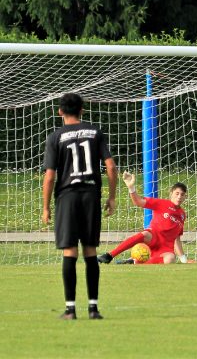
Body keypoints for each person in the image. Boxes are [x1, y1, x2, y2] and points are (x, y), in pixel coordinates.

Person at [42, 93, 117, 320]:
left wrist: (45, 207)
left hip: (67, 196)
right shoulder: (95, 132)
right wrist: (112, 197)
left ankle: (70, 309)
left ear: (60, 112)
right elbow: (111, 167)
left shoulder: (55, 137)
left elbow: (49, 176)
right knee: (90, 250)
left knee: (70, 250)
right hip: (91, 195)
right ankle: (93, 309)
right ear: (83, 110)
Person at [98, 173, 191, 265]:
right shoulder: (161, 203)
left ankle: (135, 261)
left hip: (165, 248)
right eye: (177, 193)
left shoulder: (182, 214)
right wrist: (131, 187)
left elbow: (177, 238)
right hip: (153, 237)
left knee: (170, 259)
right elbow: (138, 202)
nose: (179, 197)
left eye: (182, 194)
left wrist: (184, 260)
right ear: (171, 194)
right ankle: (109, 256)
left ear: (185, 197)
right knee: (145, 234)